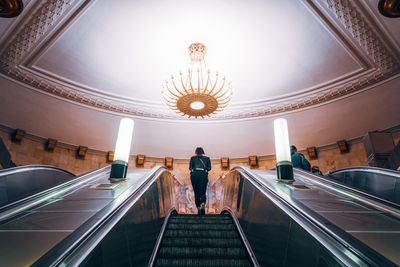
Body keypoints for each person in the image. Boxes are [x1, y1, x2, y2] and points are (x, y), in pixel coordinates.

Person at [189, 147, 211, 215]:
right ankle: (203, 204)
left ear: (196, 152)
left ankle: (198, 207)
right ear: (203, 152)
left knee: (196, 193)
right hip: (203, 174)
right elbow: (209, 168)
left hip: (194, 175)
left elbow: (190, 168)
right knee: (203, 192)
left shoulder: (192, 158)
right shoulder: (207, 158)